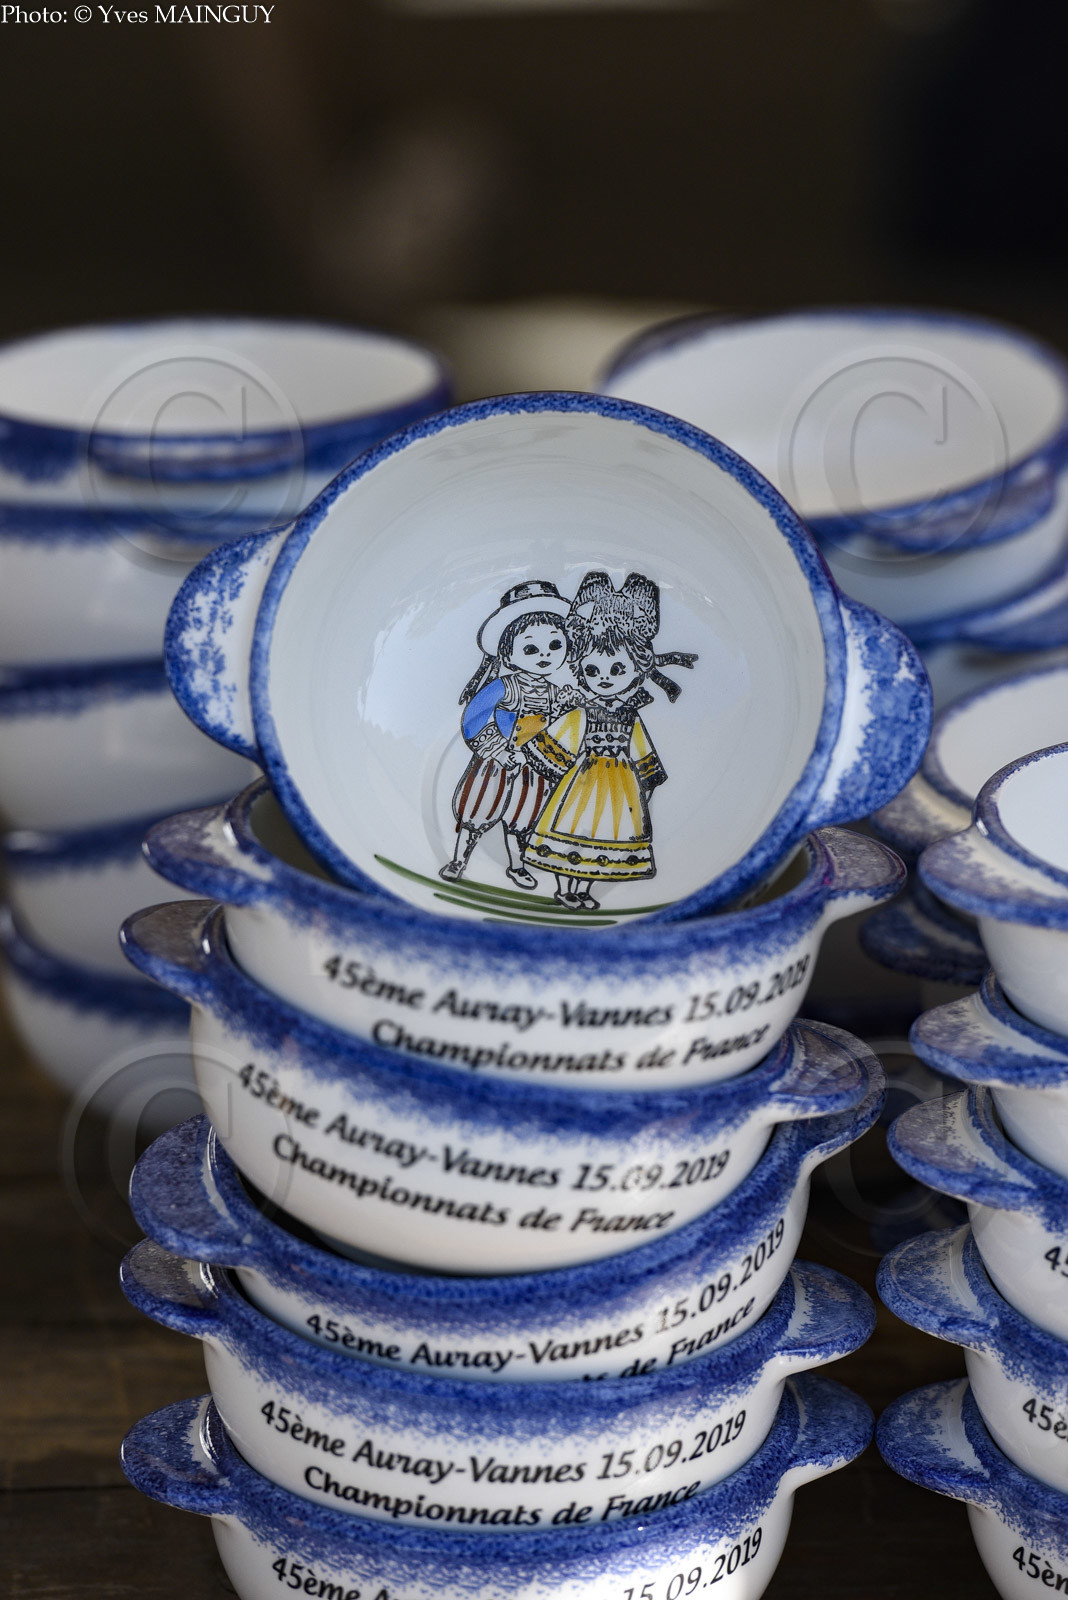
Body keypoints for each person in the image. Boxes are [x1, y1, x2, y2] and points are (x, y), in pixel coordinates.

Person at [523, 570, 696, 910]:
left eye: (617, 670)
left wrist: (645, 787)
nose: (603, 678)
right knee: (572, 830)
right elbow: (556, 747)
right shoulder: (583, 712)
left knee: (605, 836)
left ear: (637, 670)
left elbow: (643, 753)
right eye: (592, 670)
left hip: (620, 787)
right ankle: (564, 889)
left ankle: (583, 890)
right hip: (583, 781)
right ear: (580, 669)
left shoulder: (630, 714)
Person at [440, 579, 576, 886]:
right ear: (509, 655)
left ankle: (517, 866)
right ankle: (459, 860)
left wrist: (567, 706)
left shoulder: (554, 692)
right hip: (497, 764)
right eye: (531, 648)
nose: (545, 655)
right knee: (477, 812)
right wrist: (498, 751)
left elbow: (561, 727)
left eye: (556, 645)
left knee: (522, 819)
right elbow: (473, 720)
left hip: (533, 768)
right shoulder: (503, 686)